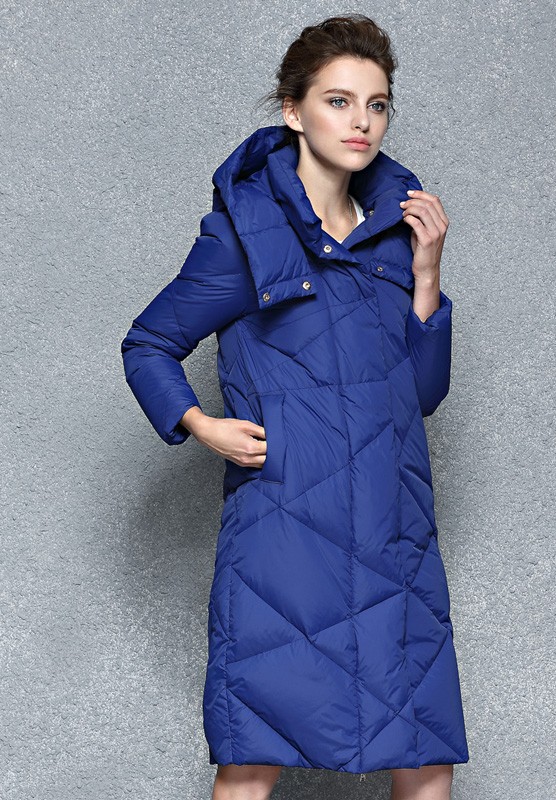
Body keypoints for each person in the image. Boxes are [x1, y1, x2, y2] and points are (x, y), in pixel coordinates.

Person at [120, 13, 469, 800]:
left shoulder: (396, 235)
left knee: (426, 760)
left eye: (376, 105)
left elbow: (420, 396)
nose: (360, 122)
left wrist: (427, 276)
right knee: (252, 756)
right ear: (293, 109)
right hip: (286, 536)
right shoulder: (244, 236)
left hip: (393, 531)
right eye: (338, 101)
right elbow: (148, 344)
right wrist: (201, 424)